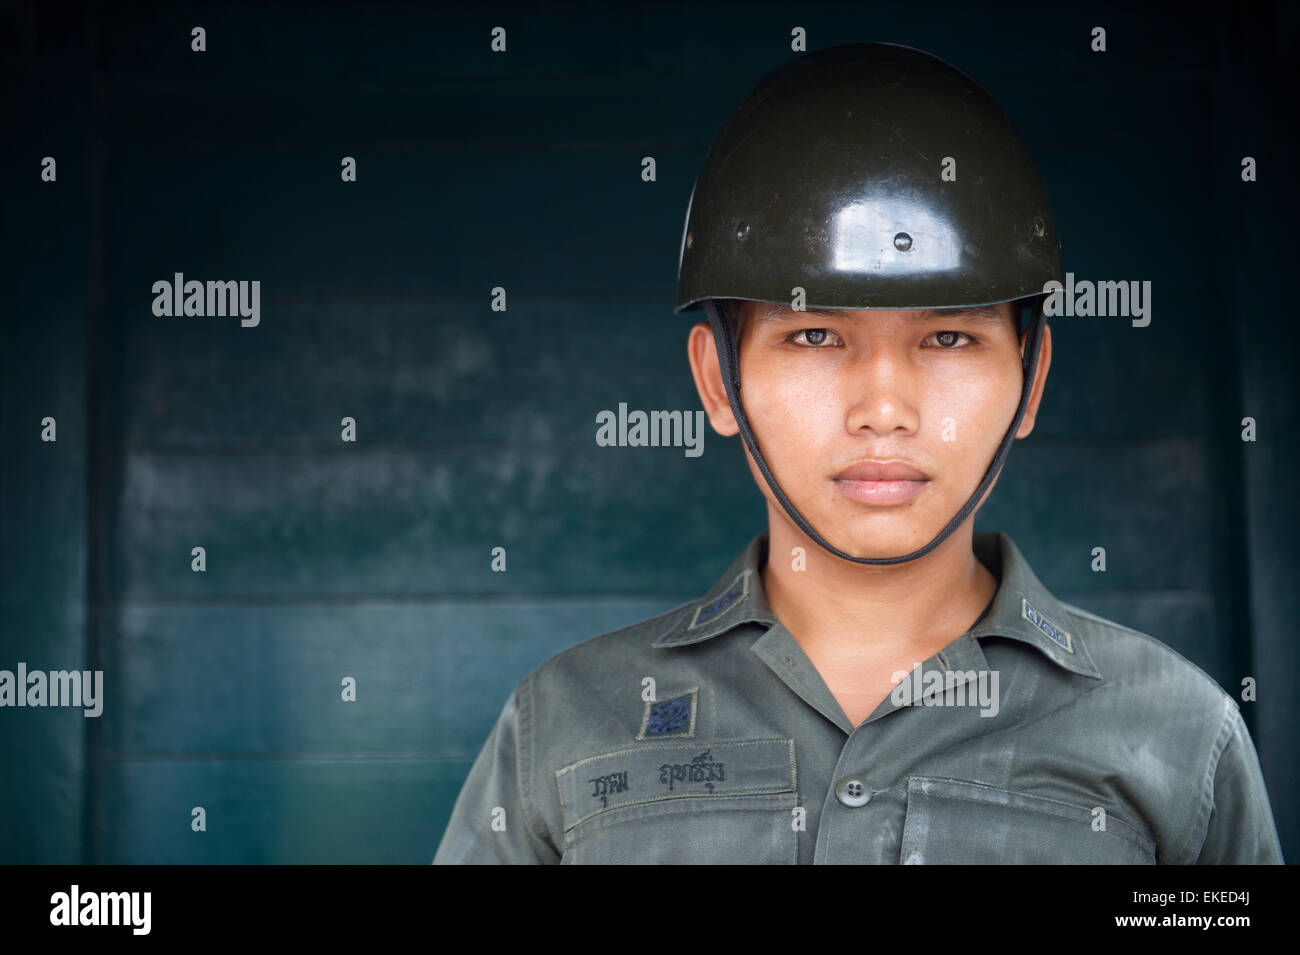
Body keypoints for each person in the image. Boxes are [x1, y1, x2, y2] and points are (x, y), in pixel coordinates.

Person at [433, 42, 1283, 864]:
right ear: (718, 384)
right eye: (814, 335)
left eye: (948, 336)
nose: (884, 408)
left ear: (1030, 379)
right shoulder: (567, 722)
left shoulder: (1176, 732)